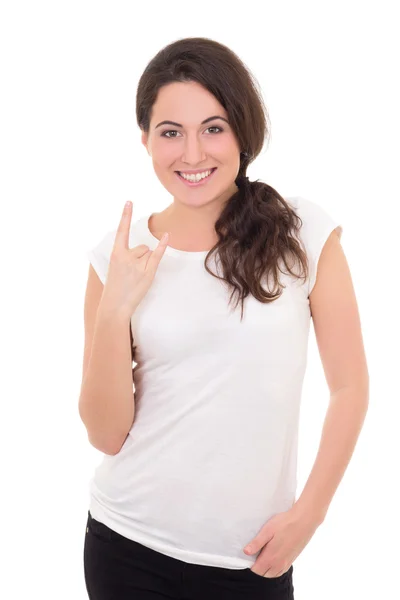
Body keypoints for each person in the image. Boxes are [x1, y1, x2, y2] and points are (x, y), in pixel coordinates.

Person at [80, 37, 369, 600]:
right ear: (145, 140)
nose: (193, 155)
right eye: (171, 132)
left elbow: (351, 387)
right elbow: (105, 434)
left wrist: (310, 514)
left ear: (243, 131)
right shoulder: (115, 257)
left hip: (253, 557)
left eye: (213, 128)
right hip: (126, 546)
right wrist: (116, 310)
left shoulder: (303, 233)